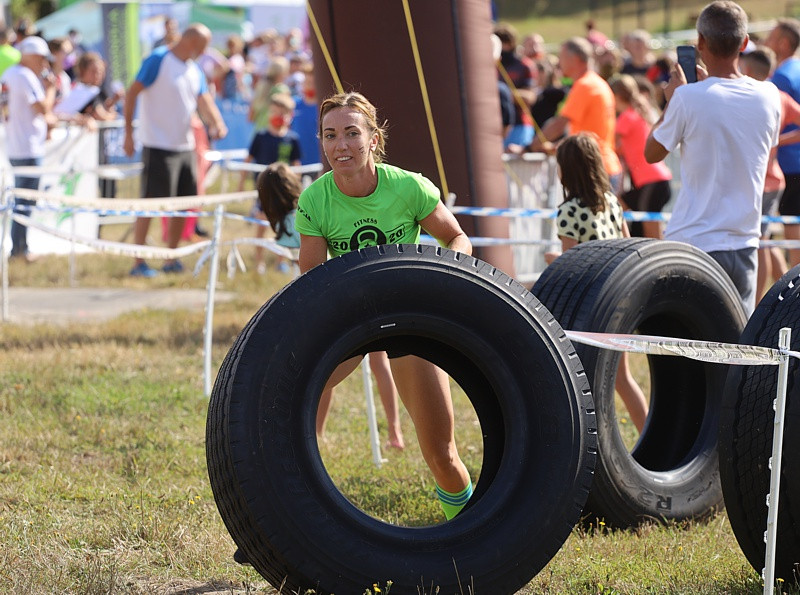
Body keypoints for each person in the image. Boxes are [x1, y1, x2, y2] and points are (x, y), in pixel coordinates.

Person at [296, 91, 474, 520]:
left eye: (352, 133)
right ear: (321, 141)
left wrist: (443, 282)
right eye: (331, 135)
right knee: (282, 403)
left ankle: (474, 529)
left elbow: (456, 239)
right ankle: (272, 514)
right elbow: (309, 285)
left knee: (442, 455)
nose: (341, 145)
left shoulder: (409, 186)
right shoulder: (314, 200)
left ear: (374, 138)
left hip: (409, 320)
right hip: (347, 322)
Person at [645, 1, 781, 316]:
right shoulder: (769, 97)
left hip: (694, 244)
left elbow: (651, 152)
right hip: (745, 242)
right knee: (735, 352)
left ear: (701, 43)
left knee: (686, 350)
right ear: (745, 43)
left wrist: (672, 100)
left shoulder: (687, 98)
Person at [257, 162, 406, 449]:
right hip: (349, 291)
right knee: (377, 363)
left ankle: (315, 431)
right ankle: (393, 431)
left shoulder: (285, 225)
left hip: (323, 299)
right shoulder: (310, 210)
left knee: (319, 367)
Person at [546, 133, 649, 432]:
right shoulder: (612, 204)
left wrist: (552, 258)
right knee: (622, 380)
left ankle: (596, 444)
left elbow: (571, 265)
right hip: (618, 299)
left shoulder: (568, 212)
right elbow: (628, 246)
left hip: (589, 307)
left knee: (586, 384)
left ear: (567, 169)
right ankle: (648, 434)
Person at [123, 23, 228, 277]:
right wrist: (128, 132)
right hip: (157, 144)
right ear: (192, 43)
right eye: (202, 48)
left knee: (184, 202)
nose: (204, 53)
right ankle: (138, 261)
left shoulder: (194, 70)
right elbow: (132, 92)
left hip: (185, 146)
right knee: (151, 203)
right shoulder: (159, 59)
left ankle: (171, 257)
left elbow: (203, 99)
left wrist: (217, 122)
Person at [526, 37, 624, 193]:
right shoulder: (597, 83)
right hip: (602, 165)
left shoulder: (585, 85)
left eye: (562, 57)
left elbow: (559, 124)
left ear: (574, 59)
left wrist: (530, 147)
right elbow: (590, 131)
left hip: (593, 169)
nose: (559, 62)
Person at [740, 48, 800, 300]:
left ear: (750, 71)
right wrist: (778, 141)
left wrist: (777, 142)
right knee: (764, 240)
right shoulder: (778, 96)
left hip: (761, 181)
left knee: (760, 243)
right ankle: (786, 295)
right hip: (768, 180)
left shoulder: (749, 95)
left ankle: (757, 304)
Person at [1, 36, 57, 262]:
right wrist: (51, 89)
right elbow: (43, 107)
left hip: (16, 145)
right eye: (42, 58)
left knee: (22, 200)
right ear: (31, 56)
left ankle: (19, 248)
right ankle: (19, 249)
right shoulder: (24, 76)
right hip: (27, 147)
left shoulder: (9, 75)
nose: (44, 64)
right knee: (25, 201)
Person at [237, 92, 302, 274]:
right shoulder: (261, 136)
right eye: (275, 112)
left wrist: (297, 187)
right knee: (261, 223)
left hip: (284, 193)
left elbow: (297, 166)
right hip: (263, 189)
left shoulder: (292, 139)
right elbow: (248, 160)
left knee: (285, 225)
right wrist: (241, 183)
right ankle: (259, 261)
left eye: (283, 114)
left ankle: (280, 260)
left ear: (290, 116)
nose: (278, 117)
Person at [610, 74, 672, 239]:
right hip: (654, 181)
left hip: (651, 182)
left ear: (617, 96)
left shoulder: (626, 118)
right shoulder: (637, 114)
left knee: (652, 233)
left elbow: (610, 144)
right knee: (617, 208)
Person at [765, 18, 800, 268]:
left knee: (793, 235)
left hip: (790, 167)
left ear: (784, 43)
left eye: (771, 36)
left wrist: (776, 140)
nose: (766, 41)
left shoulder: (781, 78)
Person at [494, 22, 536, 148]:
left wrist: (503, 94)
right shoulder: (492, 65)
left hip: (520, 126)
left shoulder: (524, 65)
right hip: (497, 126)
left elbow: (530, 97)